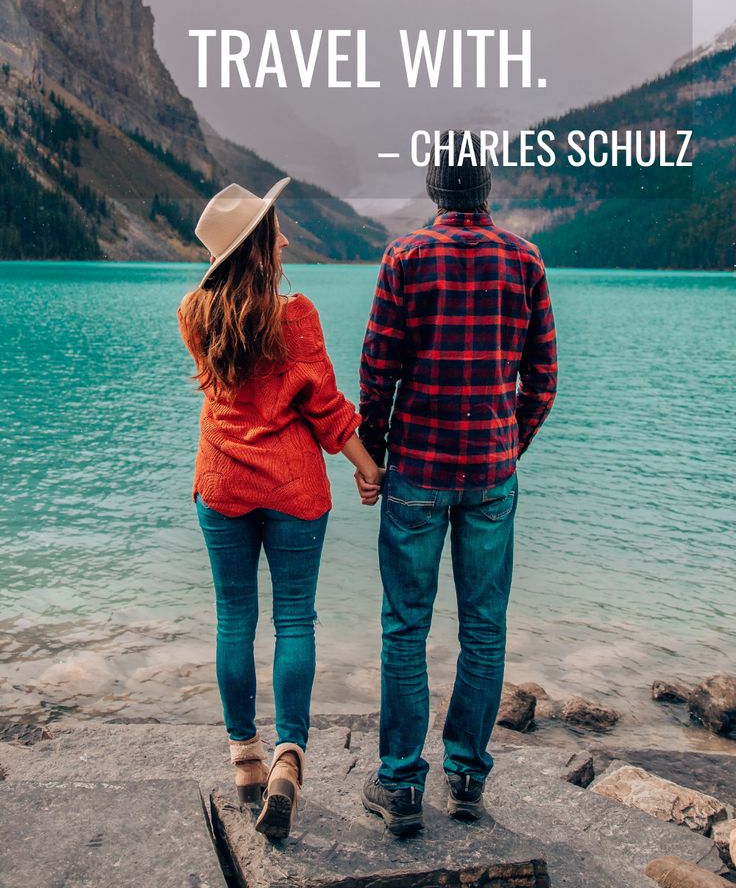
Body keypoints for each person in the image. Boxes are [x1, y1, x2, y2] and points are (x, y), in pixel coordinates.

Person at [356, 132, 558, 834]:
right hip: (490, 475)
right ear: (487, 189)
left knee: (405, 628)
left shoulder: (405, 257)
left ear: (436, 189)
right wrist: (509, 444)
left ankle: (401, 785)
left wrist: (374, 456)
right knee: (484, 627)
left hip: (416, 467)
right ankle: (467, 777)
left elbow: (378, 368)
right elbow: (544, 378)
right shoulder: (525, 259)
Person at [178, 178, 381, 841]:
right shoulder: (295, 315)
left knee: (234, 617)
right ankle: (291, 756)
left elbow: (226, 390)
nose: (288, 237)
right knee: (295, 618)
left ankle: (245, 759)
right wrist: (367, 466)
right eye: (276, 229)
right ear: (261, 246)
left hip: (223, 483)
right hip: (294, 489)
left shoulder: (194, 313)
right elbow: (322, 406)